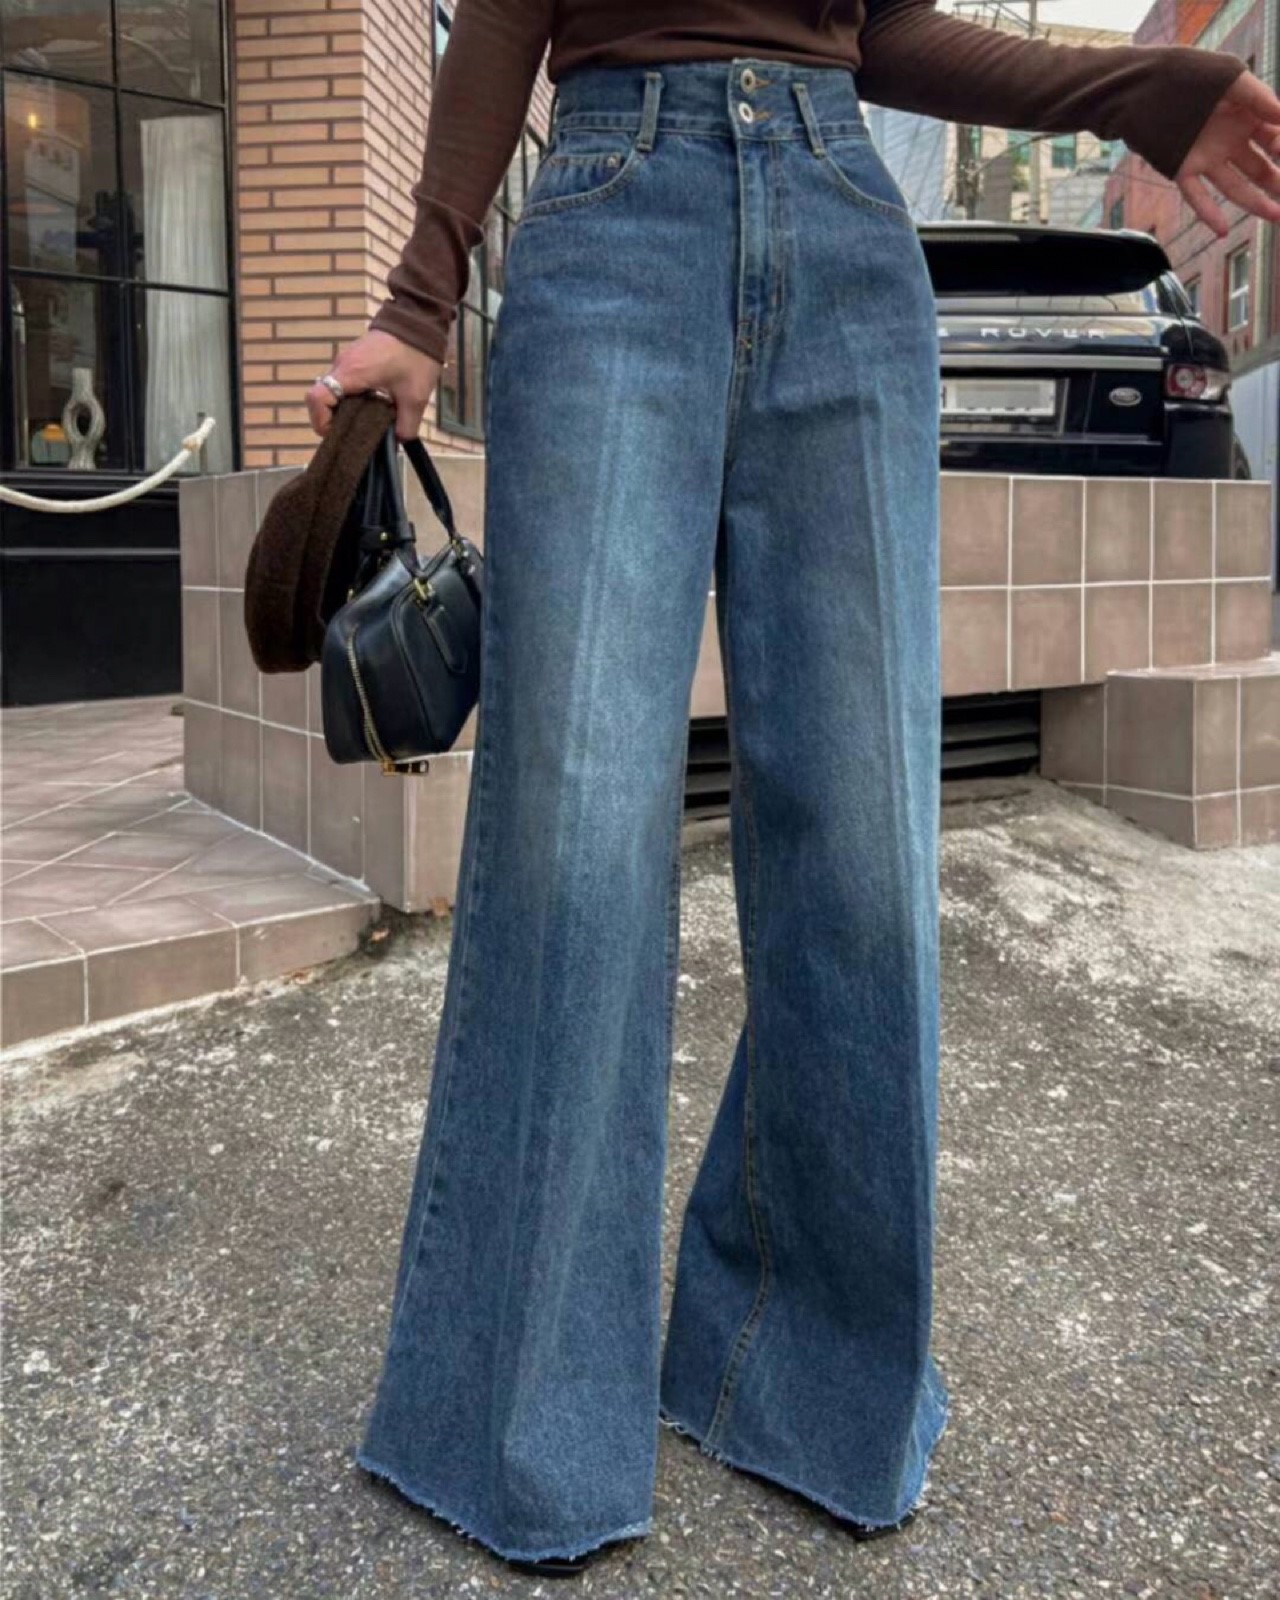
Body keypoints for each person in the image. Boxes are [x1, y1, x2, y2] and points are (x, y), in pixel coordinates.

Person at [304, 1, 1280, 1580]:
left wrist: (1130, 91)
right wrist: (420, 296)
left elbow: (872, 28)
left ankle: (794, 1362)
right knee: (575, 840)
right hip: (615, 220)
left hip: (842, 230)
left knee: (867, 847)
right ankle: (523, 1416)